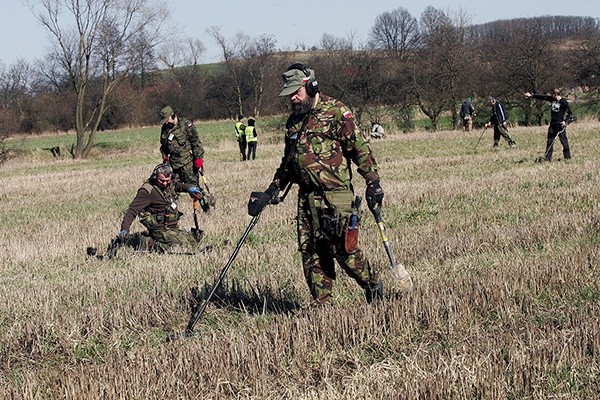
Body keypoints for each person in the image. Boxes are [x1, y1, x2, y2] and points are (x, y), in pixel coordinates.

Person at [247, 63, 412, 306]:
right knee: (311, 252)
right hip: (307, 197)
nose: (293, 98)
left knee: (343, 250)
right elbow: (289, 161)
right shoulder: (293, 121)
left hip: (335, 195)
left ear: (311, 86)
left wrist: (373, 182)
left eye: (296, 92)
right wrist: (273, 189)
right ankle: (322, 304)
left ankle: (372, 284)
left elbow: (360, 149)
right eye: (290, 94)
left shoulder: (336, 112)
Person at [118, 163, 205, 253]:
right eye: (161, 181)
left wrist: (190, 188)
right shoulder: (147, 191)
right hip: (160, 229)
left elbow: (178, 186)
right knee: (182, 246)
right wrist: (124, 229)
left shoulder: (169, 184)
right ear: (155, 177)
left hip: (172, 228)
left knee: (196, 237)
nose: (165, 183)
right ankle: (146, 242)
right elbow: (132, 210)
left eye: (167, 180)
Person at [159, 106, 205, 185]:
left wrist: (198, 159)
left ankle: (201, 197)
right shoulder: (165, 128)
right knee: (172, 189)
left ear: (173, 116)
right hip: (173, 165)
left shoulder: (186, 125)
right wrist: (165, 156)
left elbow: (196, 143)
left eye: (167, 120)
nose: (166, 123)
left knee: (193, 189)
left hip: (187, 164)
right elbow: (163, 145)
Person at [524, 89, 574, 161]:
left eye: (552, 95)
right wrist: (531, 96)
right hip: (553, 124)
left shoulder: (564, 102)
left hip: (560, 125)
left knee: (564, 142)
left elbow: (570, 115)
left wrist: (565, 122)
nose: (551, 96)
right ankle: (547, 158)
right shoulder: (552, 99)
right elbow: (543, 97)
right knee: (550, 141)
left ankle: (567, 157)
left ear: (556, 94)